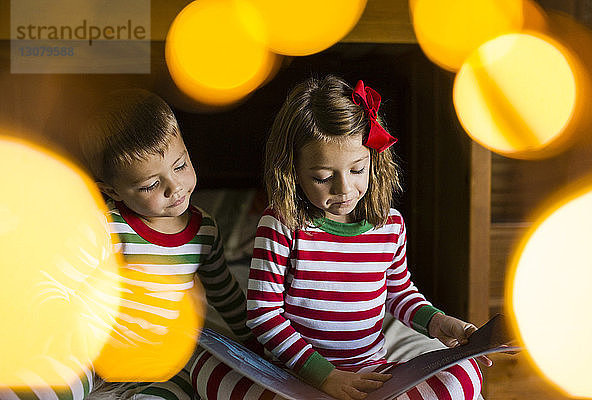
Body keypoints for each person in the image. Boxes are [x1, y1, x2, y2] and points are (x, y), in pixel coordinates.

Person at [191, 75, 488, 400]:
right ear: (292, 171)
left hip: (368, 374)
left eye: (357, 170)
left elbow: (398, 292)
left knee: (465, 374)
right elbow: (263, 313)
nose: (344, 189)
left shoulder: (389, 225)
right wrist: (326, 377)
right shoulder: (281, 223)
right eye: (322, 177)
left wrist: (437, 322)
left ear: (375, 160)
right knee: (203, 366)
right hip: (293, 375)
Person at [1, 89, 257, 400]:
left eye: (180, 166)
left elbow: (225, 294)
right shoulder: (105, 226)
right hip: (95, 353)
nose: (174, 188)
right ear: (113, 190)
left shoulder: (204, 230)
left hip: (159, 361)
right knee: (42, 385)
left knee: (177, 393)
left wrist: (259, 342)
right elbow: (52, 284)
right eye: (150, 184)